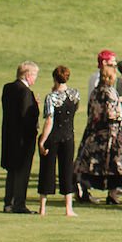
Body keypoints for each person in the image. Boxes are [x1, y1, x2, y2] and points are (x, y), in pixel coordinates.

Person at [76, 49, 122, 205]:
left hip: (94, 131)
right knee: (115, 164)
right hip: (110, 134)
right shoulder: (110, 92)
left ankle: (84, 191)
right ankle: (112, 194)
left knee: (90, 163)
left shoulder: (95, 91)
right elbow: (111, 113)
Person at [38, 65, 80, 217]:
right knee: (67, 170)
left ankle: (43, 207)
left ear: (54, 78)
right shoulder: (75, 94)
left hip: (53, 136)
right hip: (69, 136)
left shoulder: (51, 97)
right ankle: (68, 208)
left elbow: (49, 120)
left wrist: (42, 140)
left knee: (47, 170)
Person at [1, 62, 40, 213]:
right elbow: (26, 117)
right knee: (22, 172)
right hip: (23, 139)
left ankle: (8, 202)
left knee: (11, 170)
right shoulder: (25, 92)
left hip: (9, 136)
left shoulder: (8, 88)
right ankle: (19, 203)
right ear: (28, 75)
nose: (35, 79)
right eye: (35, 75)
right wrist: (35, 108)